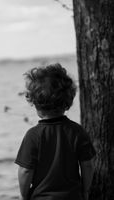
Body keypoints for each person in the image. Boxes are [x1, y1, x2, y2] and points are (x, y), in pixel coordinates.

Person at [15, 63, 96, 200]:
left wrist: (24, 196)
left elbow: (25, 170)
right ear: (68, 100)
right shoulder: (77, 131)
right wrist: (85, 190)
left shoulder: (33, 135)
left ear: (34, 102)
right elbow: (88, 164)